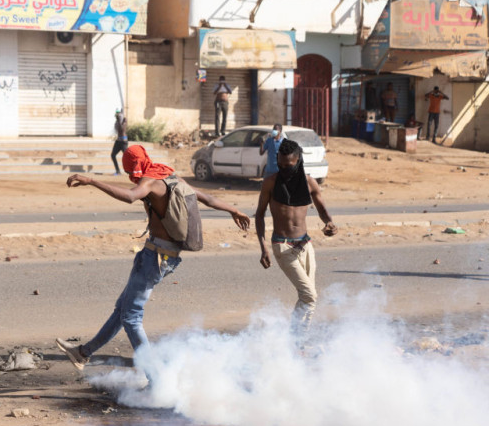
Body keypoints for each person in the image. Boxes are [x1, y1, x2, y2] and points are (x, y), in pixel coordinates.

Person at [56, 145, 250, 370]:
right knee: (123, 309)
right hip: (166, 257)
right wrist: (233, 210)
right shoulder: (170, 176)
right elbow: (206, 197)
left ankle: (155, 379)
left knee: (131, 317)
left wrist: (92, 181)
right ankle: (82, 353)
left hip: (155, 258)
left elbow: (130, 196)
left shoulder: (149, 182)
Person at [255, 139, 337, 338]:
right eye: (281, 165)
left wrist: (329, 223)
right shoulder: (271, 183)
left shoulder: (309, 183)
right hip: (282, 247)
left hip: (305, 245)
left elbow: (322, 210)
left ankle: (295, 339)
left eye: (289, 166)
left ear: (298, 161)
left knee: (307, 297)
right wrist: (263, 248)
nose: (285, 169)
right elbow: (259, 215)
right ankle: (297, 340)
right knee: (310, 296)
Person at [110, 109, 128, 176]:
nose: (118, 116)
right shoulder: (117, 122)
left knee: (127, 156)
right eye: (117, 114)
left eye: (119, 115)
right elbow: (117, 129)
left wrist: (121, 120)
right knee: (113, 155)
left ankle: (133, 170)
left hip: (123, 142)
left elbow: (122, 129)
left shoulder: (124, 122)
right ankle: (118, 171)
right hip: (118, 141)